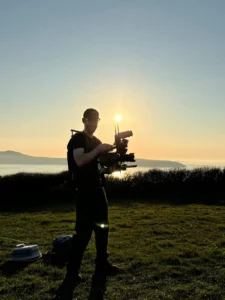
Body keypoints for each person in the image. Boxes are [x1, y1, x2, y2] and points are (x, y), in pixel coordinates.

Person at [65, 108, 119, 283]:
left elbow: (99, 167)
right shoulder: (77, 139)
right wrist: (98, 150)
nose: (94, 124)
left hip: (98, 190)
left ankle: (102, 264)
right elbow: (80, 161)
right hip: (84, 192)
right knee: (83, 233)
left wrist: (110, 168)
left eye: (97, 121)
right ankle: (72, 273)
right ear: (84, 120)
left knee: (103, 229)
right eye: (91, 120)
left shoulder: (96, 141)